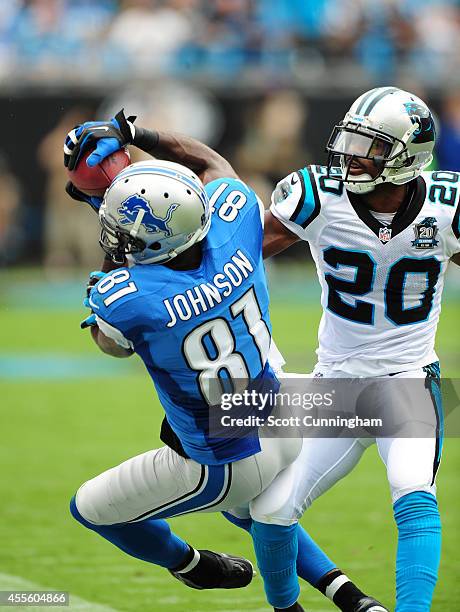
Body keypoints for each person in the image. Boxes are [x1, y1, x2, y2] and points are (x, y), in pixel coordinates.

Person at [64, 113, 387, 612]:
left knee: (90, 509)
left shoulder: (127, 298)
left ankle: (192, 565)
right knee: (253, 514)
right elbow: (209, 161)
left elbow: (111, 341)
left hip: (222, 458)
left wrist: (103, 204)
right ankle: (353, 599)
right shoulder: (235, 226)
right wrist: (137, 136)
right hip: (275, 415)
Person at [263, 86, 452, 612]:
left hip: (409, 379)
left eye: (368, 146)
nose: (349, 155)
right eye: (350, 140)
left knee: (414, 497)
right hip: (336, 384)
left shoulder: (445, 207)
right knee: (271, 510)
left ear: (406, 155)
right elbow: (244, 258)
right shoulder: (317, 196)